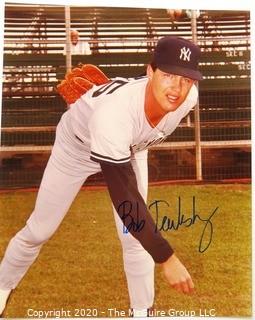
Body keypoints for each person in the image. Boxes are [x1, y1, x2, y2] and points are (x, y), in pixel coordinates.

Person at [0, 36, 202, 317]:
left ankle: (142, 312)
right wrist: (167, 257)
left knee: (134, 238)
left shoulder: (187, 98)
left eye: (186, 78)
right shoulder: (114, 117)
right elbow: (125, 201)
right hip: (76, 148)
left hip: (129, 147)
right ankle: (1, 289)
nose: (177, 88)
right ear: (150, 72)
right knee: (39, 230)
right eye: (168, 75)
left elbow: (142, 101)